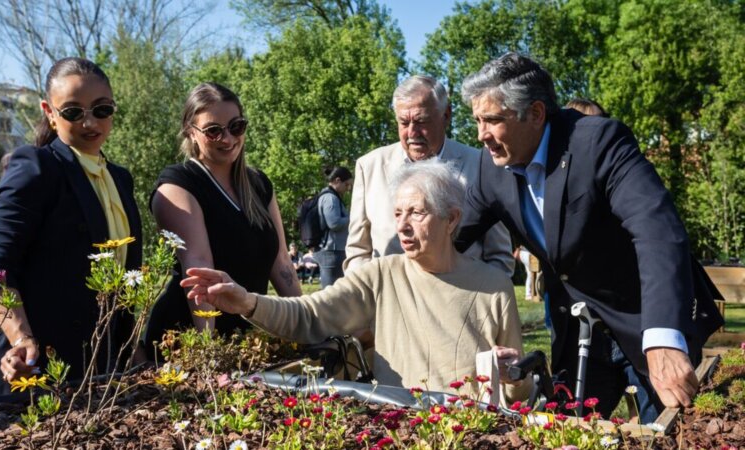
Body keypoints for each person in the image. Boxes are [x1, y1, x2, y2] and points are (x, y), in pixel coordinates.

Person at [455, 52, 724, 421]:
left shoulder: (597, 141)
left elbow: (657, 229)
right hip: (578, 335)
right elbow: (452, 238)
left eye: (492, 120)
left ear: (535, 114)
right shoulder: (491, 165)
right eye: (477, 121)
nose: (481, 135)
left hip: (644, 320)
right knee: (568, 435)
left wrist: (662, 338)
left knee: (665, 433)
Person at [180, 160, 529, 398]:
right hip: (398, 430)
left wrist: (513, 374)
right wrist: (248, 302)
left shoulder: (493, 288)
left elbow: (519, 390)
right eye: (397, 213)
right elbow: (309, 316)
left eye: (417, 213)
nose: (403, 226)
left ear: (451, 219)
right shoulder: (382, 275)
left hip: (468, 432)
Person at [0, 57, 142, 396]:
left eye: (101, 109)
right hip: (37, 365)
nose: (89, 121)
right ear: (49, 112)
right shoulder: (37, 167)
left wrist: (131, 347)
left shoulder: (120, 179)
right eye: (72, 111)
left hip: (101, 360)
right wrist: (20, 338)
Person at [144, 82, 301, 349]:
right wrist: (208, 351)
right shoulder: (178, 185)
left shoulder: (259, 185)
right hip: (189, 337)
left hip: (248, 335)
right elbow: (199, 270)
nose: (227, 139)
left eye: (236, 127)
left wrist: (306, 324)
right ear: (190, 133)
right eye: (213, 131)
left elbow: (281, 262)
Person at [344, 75, 514, 277]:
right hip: (387, 303)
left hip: (460, 301)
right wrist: (368, 297)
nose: (412, 132)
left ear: (446, 115)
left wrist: (475, 302)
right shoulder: (370, 166)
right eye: (403, 122)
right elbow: (358, 251)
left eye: (421, 121)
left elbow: (500, 259)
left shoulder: (482, 166)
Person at [314, 166, 352, 287]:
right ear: (337, 181)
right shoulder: (330, 198)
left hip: (333, 250)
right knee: (330, 292)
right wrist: (353, 218)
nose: (348, 188)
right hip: (331, 251)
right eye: (346, 184)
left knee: (335, 292)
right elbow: (334, 223)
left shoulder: (332, 196)